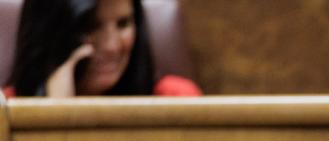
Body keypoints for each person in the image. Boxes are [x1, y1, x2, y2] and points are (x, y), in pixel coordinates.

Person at [4, 0, 202, 97]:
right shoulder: (6, 111)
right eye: (90, 27)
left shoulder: (174, 97)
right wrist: (56, 114)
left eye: (123, 24)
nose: (111, 46)